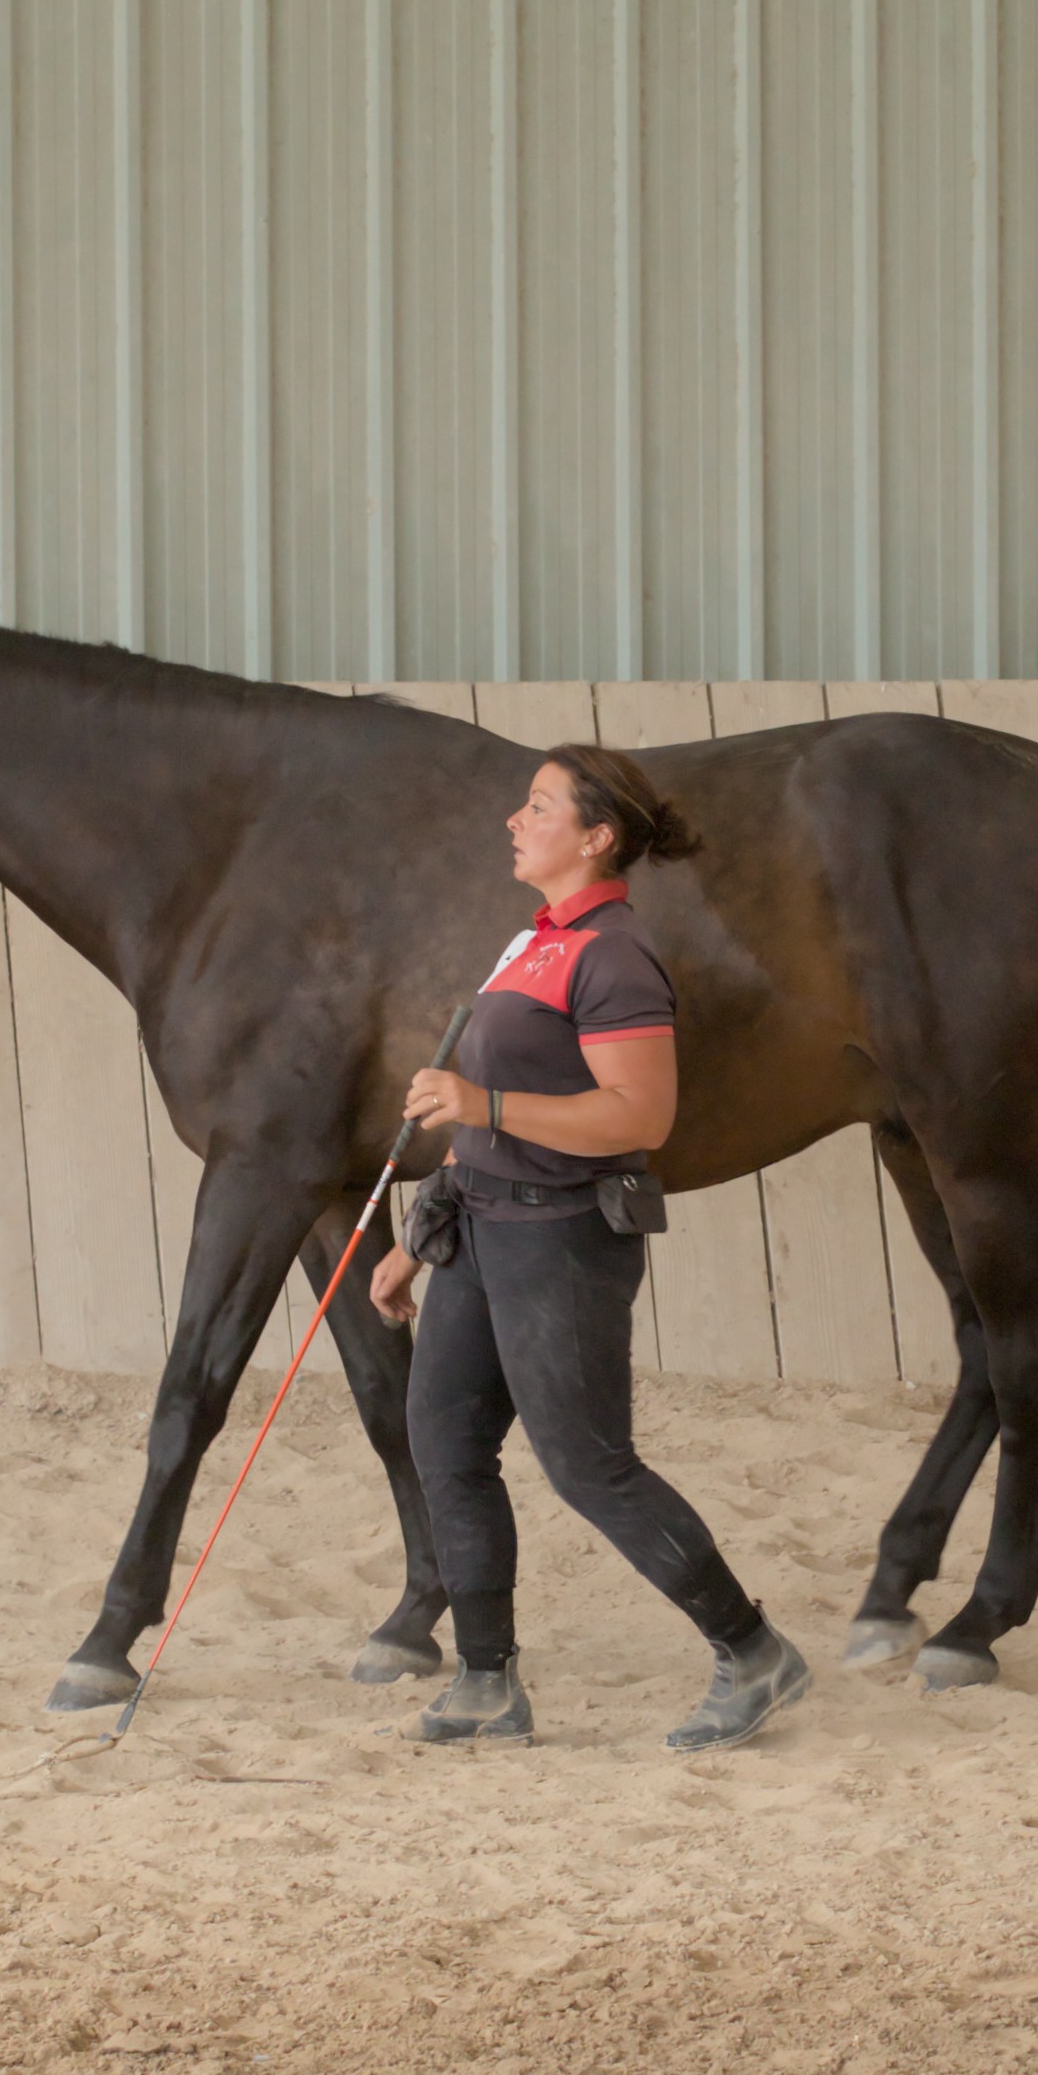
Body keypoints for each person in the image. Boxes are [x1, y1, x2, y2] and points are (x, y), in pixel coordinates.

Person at [372, 742, 807, 1755]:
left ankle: (753, 1650)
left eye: (537, 808)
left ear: (595, 836)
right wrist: (422, 1229)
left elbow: (636, 1118)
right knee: (444, 1442)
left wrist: (480, 1101)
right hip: (478, 1231)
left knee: (589, 1466)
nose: (514, 822)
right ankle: (487, 1683)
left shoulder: (613, 955)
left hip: (560, 1240)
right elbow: (479, 1117)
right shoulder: (527, 945)